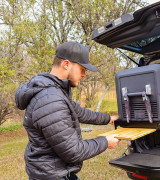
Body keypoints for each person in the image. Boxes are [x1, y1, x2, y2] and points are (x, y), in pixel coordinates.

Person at [15, 41, 120, 180]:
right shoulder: (50, 99)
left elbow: (80, 112)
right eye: (82, 69)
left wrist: (108, 119)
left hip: (53, 172)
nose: (84, 75)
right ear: (66, 64)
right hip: (52, 175)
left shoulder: (54, 91)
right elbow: (73, 151)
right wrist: (105, 142)